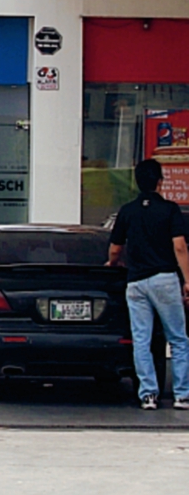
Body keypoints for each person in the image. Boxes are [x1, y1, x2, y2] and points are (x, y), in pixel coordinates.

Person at [107, 158, 189, 409]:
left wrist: (113, 264)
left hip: (136, 282)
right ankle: (181, 394)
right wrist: (187, 280)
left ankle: (148, 394)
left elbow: (115, 249)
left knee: (141, 339)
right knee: (178, 338)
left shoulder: (127, 211)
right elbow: (179, 246)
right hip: (164, 279)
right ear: (160, 182)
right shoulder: (170, 210)